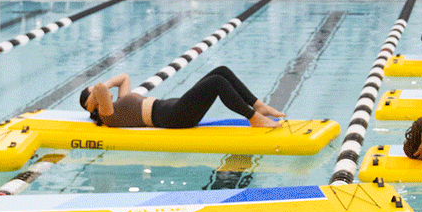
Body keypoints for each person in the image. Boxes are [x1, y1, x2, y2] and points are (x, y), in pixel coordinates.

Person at [80, 65, 286, 129]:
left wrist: (96, 94)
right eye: (93, 97)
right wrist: (94, 98)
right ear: (93, 106)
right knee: (216, 83)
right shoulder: (108, 115)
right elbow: (101, 87)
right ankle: (254, 118)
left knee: (221, 71)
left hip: (175, 108)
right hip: (172, 117)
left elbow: (124, 78)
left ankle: (258, 106)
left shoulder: (117, 105)